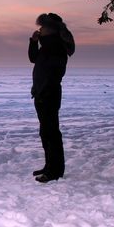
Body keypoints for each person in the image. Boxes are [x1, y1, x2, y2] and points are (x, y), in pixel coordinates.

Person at [28, 13, 75, 183]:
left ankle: (55, 171)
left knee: (51, 132)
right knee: (45, 132)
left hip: (48, 94)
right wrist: (33, 42)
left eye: (42, 27)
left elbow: (55, 73)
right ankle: (49, 166)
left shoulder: (56, 47)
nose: (39, 29)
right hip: (42, 93)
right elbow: (34, 59)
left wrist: (44, 91)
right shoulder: (47, 46)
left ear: (50, 29)